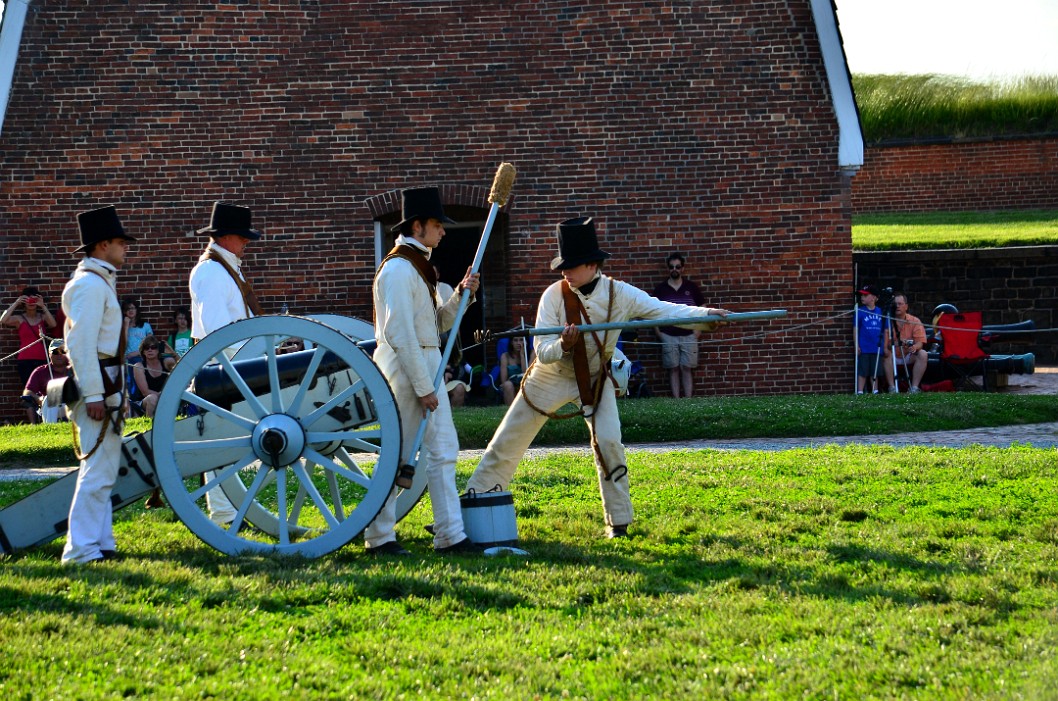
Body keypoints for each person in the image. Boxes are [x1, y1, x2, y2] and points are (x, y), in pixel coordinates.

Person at [465, 217, 730, 539]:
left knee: (609, 443)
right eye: (563, 264)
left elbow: (663, 310)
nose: (565, 271)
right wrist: (562, 344)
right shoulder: (553, 295)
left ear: (592, 265)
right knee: (508, 438)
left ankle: (618, 522)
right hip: (551, 375)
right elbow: (541, 348)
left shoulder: (622, 295)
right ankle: (474, 507)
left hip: (595, 377)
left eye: (572, 265)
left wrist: (705, 316)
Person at [366, 186, 481, 555]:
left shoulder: (417, 267)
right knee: (399, 457)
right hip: (405, 370)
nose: (443, 231)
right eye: (436, 224)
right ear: (417, 227)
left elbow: (435, 325)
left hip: (425, 365)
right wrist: (423, 386)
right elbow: (400, 334)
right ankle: (379, 537)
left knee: (444, 451)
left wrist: (461, 295)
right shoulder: (399, 270)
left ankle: (450, 534)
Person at [60, 205, 136, 564]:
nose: (125, 249)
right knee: (96, 471)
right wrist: (94, 394)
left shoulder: (97, 281)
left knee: (104, 470)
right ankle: (81, 549)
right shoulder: (90, 286)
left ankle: (101, 543)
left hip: (108, 383)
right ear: (102, 245)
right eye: (121, 242)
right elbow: (80, 344)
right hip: (98, 386)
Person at [188, 201, 265, 525]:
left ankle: (227, 509)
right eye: (242, 236)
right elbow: (219, 331)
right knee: (219, 444)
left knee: (225, 445)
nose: (247, 242)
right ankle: (223, 512)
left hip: (235, 362)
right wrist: (244, 366)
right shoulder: (212, 271)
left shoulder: (226, 267)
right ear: (226, 236)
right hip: (223, 366)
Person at [651, 252, 706, 398]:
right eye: (671, 267)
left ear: (682, 268)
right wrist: (659, 333)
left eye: (677, 266)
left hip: (689, 336)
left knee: (686, 368)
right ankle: (676, 401)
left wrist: (697, 331)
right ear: (668, 268)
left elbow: (703, 309)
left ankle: (687, 401)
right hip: (668, 336)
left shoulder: (692, 288)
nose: (674, 269)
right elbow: (652, 312)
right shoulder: (660, 290)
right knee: (673, 369)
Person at [2, 286, 58, 386]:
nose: (31, 302)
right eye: (28, 299)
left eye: (34, 299)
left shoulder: (42, 317)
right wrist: (16, 303)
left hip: (43, 359)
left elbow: (53, 324)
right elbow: (3, 320)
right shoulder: (20, 319)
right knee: (30, 390)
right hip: (25, 360)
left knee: (45, 389)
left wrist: (43, 306)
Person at [883, 293, 928, 393]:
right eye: (895, 304)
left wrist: (914, 347)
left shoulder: (915, 320)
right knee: (885, 354)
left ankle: (914, 388)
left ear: (906, 306)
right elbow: (885, 345)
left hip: (908, 354)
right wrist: (895, 343)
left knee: (923, 354)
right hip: (892, 354)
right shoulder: (887, 321)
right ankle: (892, 388)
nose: (897, 306)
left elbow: (920, 342)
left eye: (900, 303)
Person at [21, 338, 70, 424]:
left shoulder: (75, 370)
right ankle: (50, 428)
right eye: (55, 352)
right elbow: (27, 392)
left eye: (62, 351)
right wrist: (38, 398)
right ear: (49, 354)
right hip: (49, 406)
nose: (59, 355)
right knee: (49, 398)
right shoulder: (40, 371)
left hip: (70, 404)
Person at [132, 335, 176, 418]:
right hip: (145, 402)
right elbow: (145, 392)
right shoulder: (139, 366)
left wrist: (173, 353)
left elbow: (183, 370)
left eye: (153, 347)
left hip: (166, 397)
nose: (150, 350)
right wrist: (165, 396)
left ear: (158, 350)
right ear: (143, 351)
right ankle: (150, 423)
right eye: (146, 348)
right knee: (153, 398)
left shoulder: (167, 362)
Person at [854, 285, 885, 394]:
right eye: (862, 295)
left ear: (873, 297)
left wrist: (884, 346)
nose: (862, 297)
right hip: (864, 347)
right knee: (862, 370)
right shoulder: (860, 311)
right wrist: (856, 345)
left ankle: (875, 390)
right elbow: (856, 329)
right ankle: (860, 391)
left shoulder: (881, 312)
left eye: (865, 295)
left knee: (874, 371)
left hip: (877, 347)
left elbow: (885, 330)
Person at [499, 335, 534, 406]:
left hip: (528, 381)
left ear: (526, 342)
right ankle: (511, 411)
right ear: (511, 342)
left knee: (528, 383)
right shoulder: (505, 356)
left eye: (521, 340)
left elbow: (526, 373)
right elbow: (503, 380)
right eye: (515, 340)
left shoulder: (532, 354)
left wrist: (522, 355)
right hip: (511, 383)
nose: (519, 343)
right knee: (507, 385)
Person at [121, 298, 153, 367]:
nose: (131, 310)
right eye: (128, 309)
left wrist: (136, 353)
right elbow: (123, 346)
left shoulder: (146, 326)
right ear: (124, 311)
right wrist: (126, 325)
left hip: (142, 358)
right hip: (128, 360)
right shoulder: (121, 328)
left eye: (133, 308)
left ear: (136, 310)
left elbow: (150, 344)